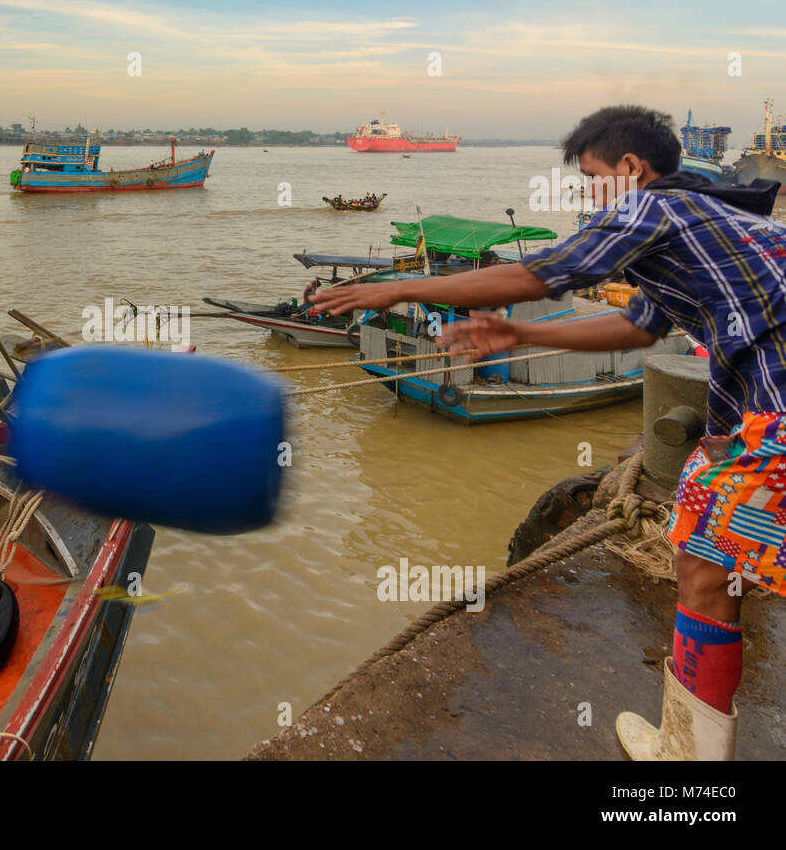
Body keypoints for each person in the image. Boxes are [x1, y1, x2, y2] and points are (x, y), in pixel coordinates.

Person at [313, 104, 785, 760]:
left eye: (592, 177)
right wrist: (521, 330)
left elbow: (548, 272)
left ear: (629, 167)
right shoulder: (690, 222)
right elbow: (636, 328)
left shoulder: (648, 209)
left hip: (775, 412)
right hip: (764, 412)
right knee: (706, 558)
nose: (590, 194)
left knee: (706, 564)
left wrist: (393, 292)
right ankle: (693, 745)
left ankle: (692, 758)